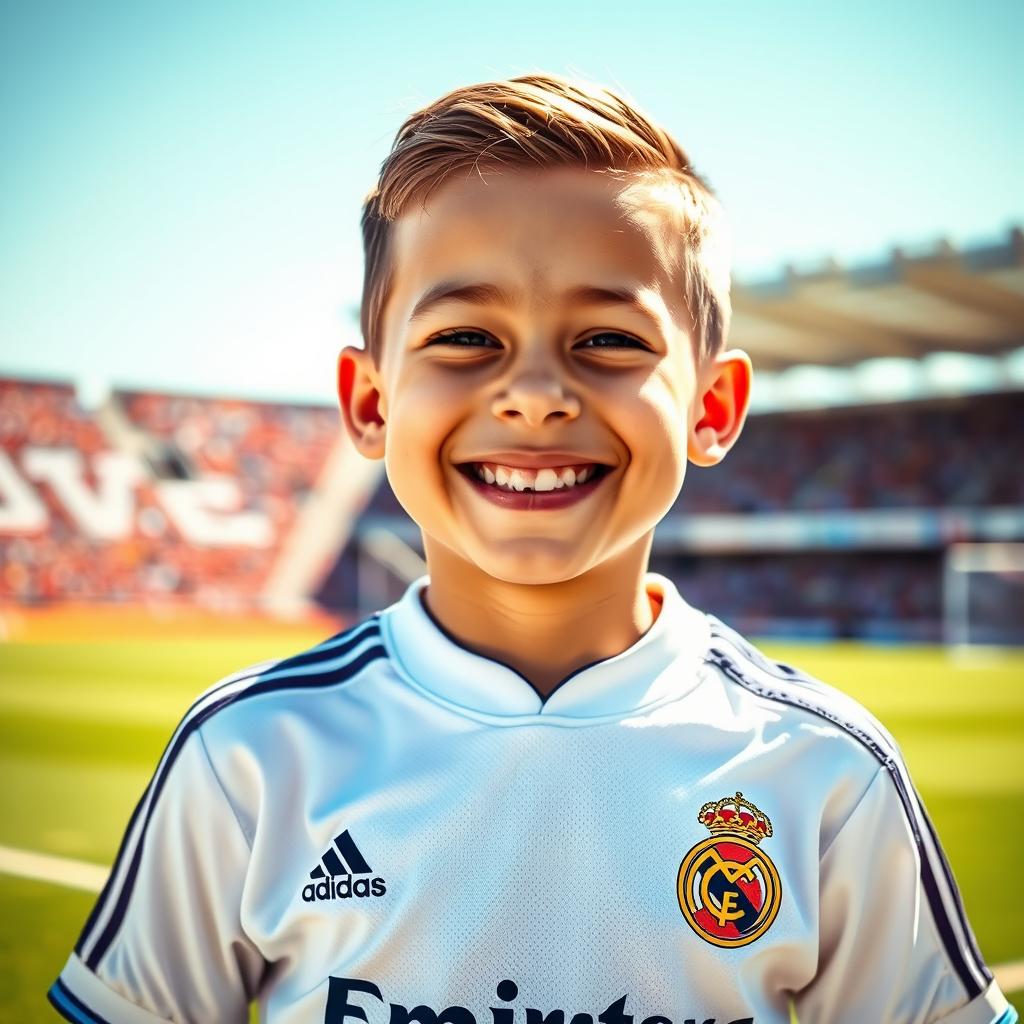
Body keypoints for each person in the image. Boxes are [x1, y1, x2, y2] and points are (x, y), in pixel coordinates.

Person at [49, 74, 1013, 1024]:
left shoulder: (824, 769)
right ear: (370, 401)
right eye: (467, 336)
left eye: (608, 340)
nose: (538, 392)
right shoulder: (251, 754)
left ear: (711, 409)